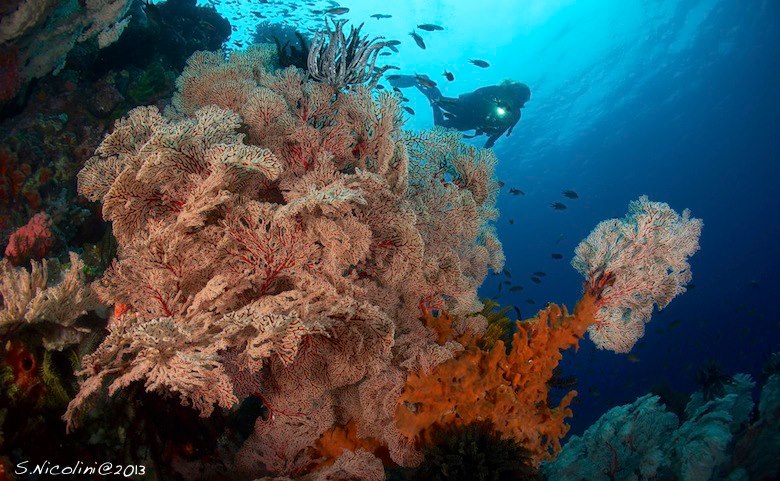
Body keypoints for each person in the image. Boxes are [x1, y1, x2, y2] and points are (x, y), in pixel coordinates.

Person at [389, 77, 531, 148]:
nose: (516, 103)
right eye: (516, 98)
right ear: (512, 91)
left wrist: (489, 143)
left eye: (520, 102)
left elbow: (500, 132)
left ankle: (433, 102)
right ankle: (420, 80)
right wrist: (485, 102)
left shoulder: (515, 115)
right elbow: (479, 92)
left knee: (439, 127)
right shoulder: (498, 91)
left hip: (472, 123)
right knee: (438, 99)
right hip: (465, 106)